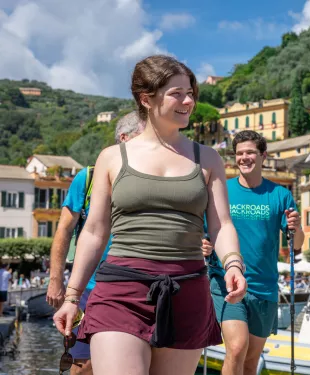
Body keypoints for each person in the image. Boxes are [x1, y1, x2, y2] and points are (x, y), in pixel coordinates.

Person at [53, 55, 247, 375]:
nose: (189, 101)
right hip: (121, 290)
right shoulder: (112, 158)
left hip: (187, 291)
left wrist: (233, 264)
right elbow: (94, 232)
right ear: (146, 99)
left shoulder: (208, 159)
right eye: (177, 93)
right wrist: (72, 296)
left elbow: (222, 224)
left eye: (190, 92)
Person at [46, 111, 145, 375]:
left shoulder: (149, 183)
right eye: (142, 138)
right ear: (123, 139)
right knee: (83, 365)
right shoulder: (88, 178)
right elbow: (64, 230)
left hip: (131, 287)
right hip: (88, 288)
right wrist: (56, 279)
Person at [206, 130, 304, 375]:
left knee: (251, 362)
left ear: (263, 156)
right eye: (239, 153)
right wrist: (203, 245)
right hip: (225, 282)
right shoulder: (221, 190)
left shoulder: (280, 195)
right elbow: (206, 234)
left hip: (265, 287)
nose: (244, 158)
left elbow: (297, 244)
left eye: (250, 152)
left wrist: (297, 227)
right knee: (237, 348)